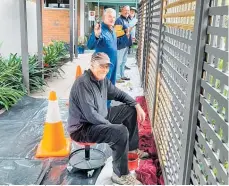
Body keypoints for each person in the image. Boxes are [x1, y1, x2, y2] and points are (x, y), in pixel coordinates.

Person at [67, 52, 149, 185]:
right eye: (101, 66)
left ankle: (132, 150)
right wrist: (110, 126)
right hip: (83, 128)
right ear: (92, 65)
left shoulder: (103, 81)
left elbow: (119, 94)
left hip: (99, 117)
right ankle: (120, 174)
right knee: (120, 131)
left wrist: (136, 105)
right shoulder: (83, 83)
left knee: (130, 110)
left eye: (107, 66)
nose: (104, 69)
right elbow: (90, 115)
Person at [87, 8, 117, 86]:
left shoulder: (113, 30)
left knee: (111, 87)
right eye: (109, 16)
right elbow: (90, 45)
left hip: (113, 64)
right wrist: (96, 35)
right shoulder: (100, 30)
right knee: (102, 87)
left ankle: (109, 98)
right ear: (104, 18)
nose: (112, 19)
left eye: (114, 17)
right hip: (103, 66)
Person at [114, 5, 133, 83]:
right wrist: (126, 31)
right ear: (122, 11)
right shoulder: (119, 20)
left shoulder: (126, 20)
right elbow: (117, 33)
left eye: (128, 11)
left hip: (126, 44)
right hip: (121, 44)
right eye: (125, 10)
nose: (127, 12)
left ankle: (122, 75)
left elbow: (127, 32)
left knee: (123, 61)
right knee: (119, 61)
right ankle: (117, 77)